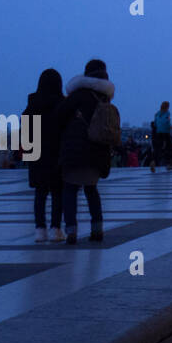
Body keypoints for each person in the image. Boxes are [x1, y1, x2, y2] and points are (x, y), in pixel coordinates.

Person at [56, 60, 117, 245]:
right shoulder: (105, 98)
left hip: (75, 150)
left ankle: (71, 231)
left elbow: (58, 116)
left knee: (70, 190)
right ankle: (97, 229)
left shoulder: (79, 95)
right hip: (97, 151)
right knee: (92, 190)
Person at [23, 69, 66, 243]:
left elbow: (25, 132)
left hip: (37, 155)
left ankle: (39, 229)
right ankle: (56, 228)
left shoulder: (32, 104)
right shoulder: (62, 104)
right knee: (57, 193)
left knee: (40, 193)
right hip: (57, 154)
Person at [152, 101, 172, 172]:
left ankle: (154, 162)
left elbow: (155, 124)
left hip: (158, 132)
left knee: (158, 149)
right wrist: (170, 127)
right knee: (169, 148)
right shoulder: (167, 113)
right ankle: (168, 164)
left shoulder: (157, 114)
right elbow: (167, 122)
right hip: (166, 132)